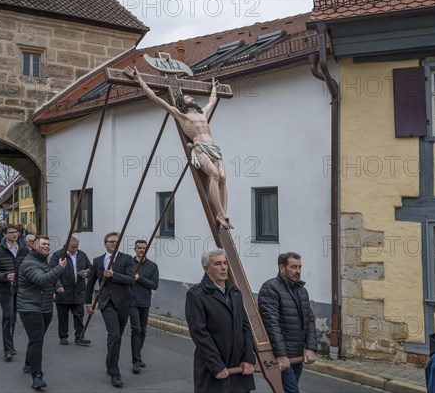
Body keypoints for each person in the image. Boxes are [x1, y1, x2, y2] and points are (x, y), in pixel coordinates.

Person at [125, 66, 232, 229]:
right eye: (187, 97)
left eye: (190, 96)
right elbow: (155, 98)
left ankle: (224, 212)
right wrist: (139, 79)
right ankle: (220, 213)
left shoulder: (202, 112)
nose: (190, 98)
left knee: (223, 178)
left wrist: (214, 89)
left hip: (214, 148)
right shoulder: (181, 115)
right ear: (183, 102)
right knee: (215, 175)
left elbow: (212, 101)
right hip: (201, 147)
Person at [185, 249, 255, 393]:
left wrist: (248, 358)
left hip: (238, 368)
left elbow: (246, 327)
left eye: (225, 263)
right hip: (213, 369)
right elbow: (199, 333)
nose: (223, 267)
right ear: (206, 268)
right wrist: (216, 365)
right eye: (217, 264)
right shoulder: (196, 295)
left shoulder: (235, 292)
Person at [258, 252, 317, 393]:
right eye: (294, 267)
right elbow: (271, 324)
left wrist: (310, 348)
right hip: (281, 357)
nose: (298, 271)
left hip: (297, 356)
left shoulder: (302, 291)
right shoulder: (270, 288)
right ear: (282, 268)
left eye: (300, 267)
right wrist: (281, 355)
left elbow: (310, 320)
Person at [85, 232, 135, 388]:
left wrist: (114, 275)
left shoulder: (127, 259)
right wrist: (88, 303)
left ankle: (109, 361)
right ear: (105, 243)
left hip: (123, 303)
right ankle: (115, 371)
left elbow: (131, 279)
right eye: (111, 241)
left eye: (116, 241)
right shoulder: (98, 261)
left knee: (117, 336)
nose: (114, 243)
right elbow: (91, 282)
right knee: (114, 334)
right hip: (107, 303)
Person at [17, 235, 66, 390]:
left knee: (35, 339)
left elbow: (48, 273)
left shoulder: (42, 260)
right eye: (43, 244)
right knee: (37, 340)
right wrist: (60, 268)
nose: (47, 246)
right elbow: (42, 279)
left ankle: (28, 363)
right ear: (34, 246)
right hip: (29, 306)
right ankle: (37, 375)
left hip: (44, 306)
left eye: (48, 244)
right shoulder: (29, 262)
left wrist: (57, 284)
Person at [0, 225, 30, 361]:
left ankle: (10, 344)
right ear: (4, 235)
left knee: (14, 317)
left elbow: (29, 266)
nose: (14, 234)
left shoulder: (24, 249)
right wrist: (5, 276)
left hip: (21, 288)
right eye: (10, 232)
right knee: (8, 316)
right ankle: (8, 349)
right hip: (5, 289)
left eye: (15, 232)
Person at [49, 235, 92, 346]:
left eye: (76, 247)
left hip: (78, 291)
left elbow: (90, 268)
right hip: (63, 291)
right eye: (73, 247)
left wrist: (86, 273)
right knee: (63, 316)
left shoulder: (82, 255)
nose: (75, 249)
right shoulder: (58, 255)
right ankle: (63, 336)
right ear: (67, 244)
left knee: (79, 316)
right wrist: (57, 285)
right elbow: (52, 271)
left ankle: (79, 337)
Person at [129, 239, 159, 374]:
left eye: (143, 248)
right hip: (131, 301)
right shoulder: (129, 263)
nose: (141, 250)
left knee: (143, 331)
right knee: (136, 329)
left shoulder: (152, 266)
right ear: (135, 249)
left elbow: (154, 285)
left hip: (145, 302)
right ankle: (135, 361)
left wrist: (139, 278)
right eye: (139, 247)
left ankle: (138, 356)